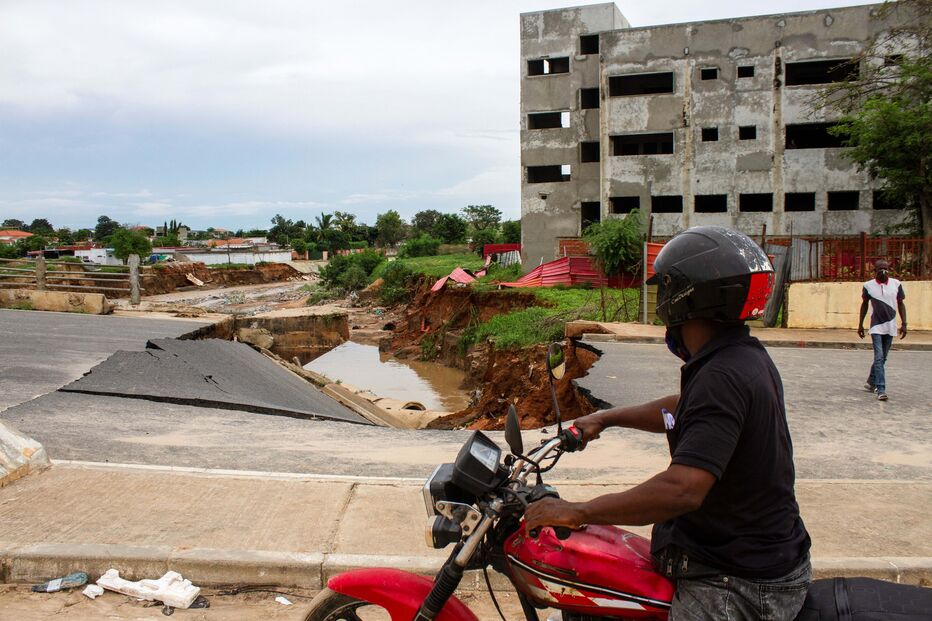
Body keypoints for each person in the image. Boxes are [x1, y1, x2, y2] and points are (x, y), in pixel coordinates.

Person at [525, 226, 811, 621]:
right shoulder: (739, 356)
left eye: (665, 289)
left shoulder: (723, 374)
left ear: (686, 297)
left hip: (735, 585)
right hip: (740, 557)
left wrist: (578, 511)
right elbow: (682, 409)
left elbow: (682, 490)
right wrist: (606, 418)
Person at [858, 259, 907, 401]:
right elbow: (864, 305)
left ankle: (871, 381)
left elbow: (901, 304)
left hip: (890, 325)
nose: (883, 271)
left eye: (885, 268)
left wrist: (904, 323)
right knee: (879, 357)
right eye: (880, 268)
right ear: (874, 271)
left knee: (883, 357)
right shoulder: (868, 286)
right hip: (876, 326)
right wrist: (860, 325)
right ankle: (881, 389)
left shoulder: (896, 284)